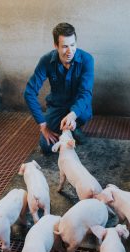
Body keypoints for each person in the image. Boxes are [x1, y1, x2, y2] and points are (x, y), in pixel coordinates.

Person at [24, 22, 94, 154]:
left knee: (83, 112)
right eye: (65, 46)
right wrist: (43, 126)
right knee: (46, 147)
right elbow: (29, 93)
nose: (69, 51)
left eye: (73, 45)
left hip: (78, 107)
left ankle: (75, 127)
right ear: (55, 45)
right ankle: (68, 131)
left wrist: (73, 115)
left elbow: (86, 93)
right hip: (57, 107)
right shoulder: (46, 60)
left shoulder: (87, 59)